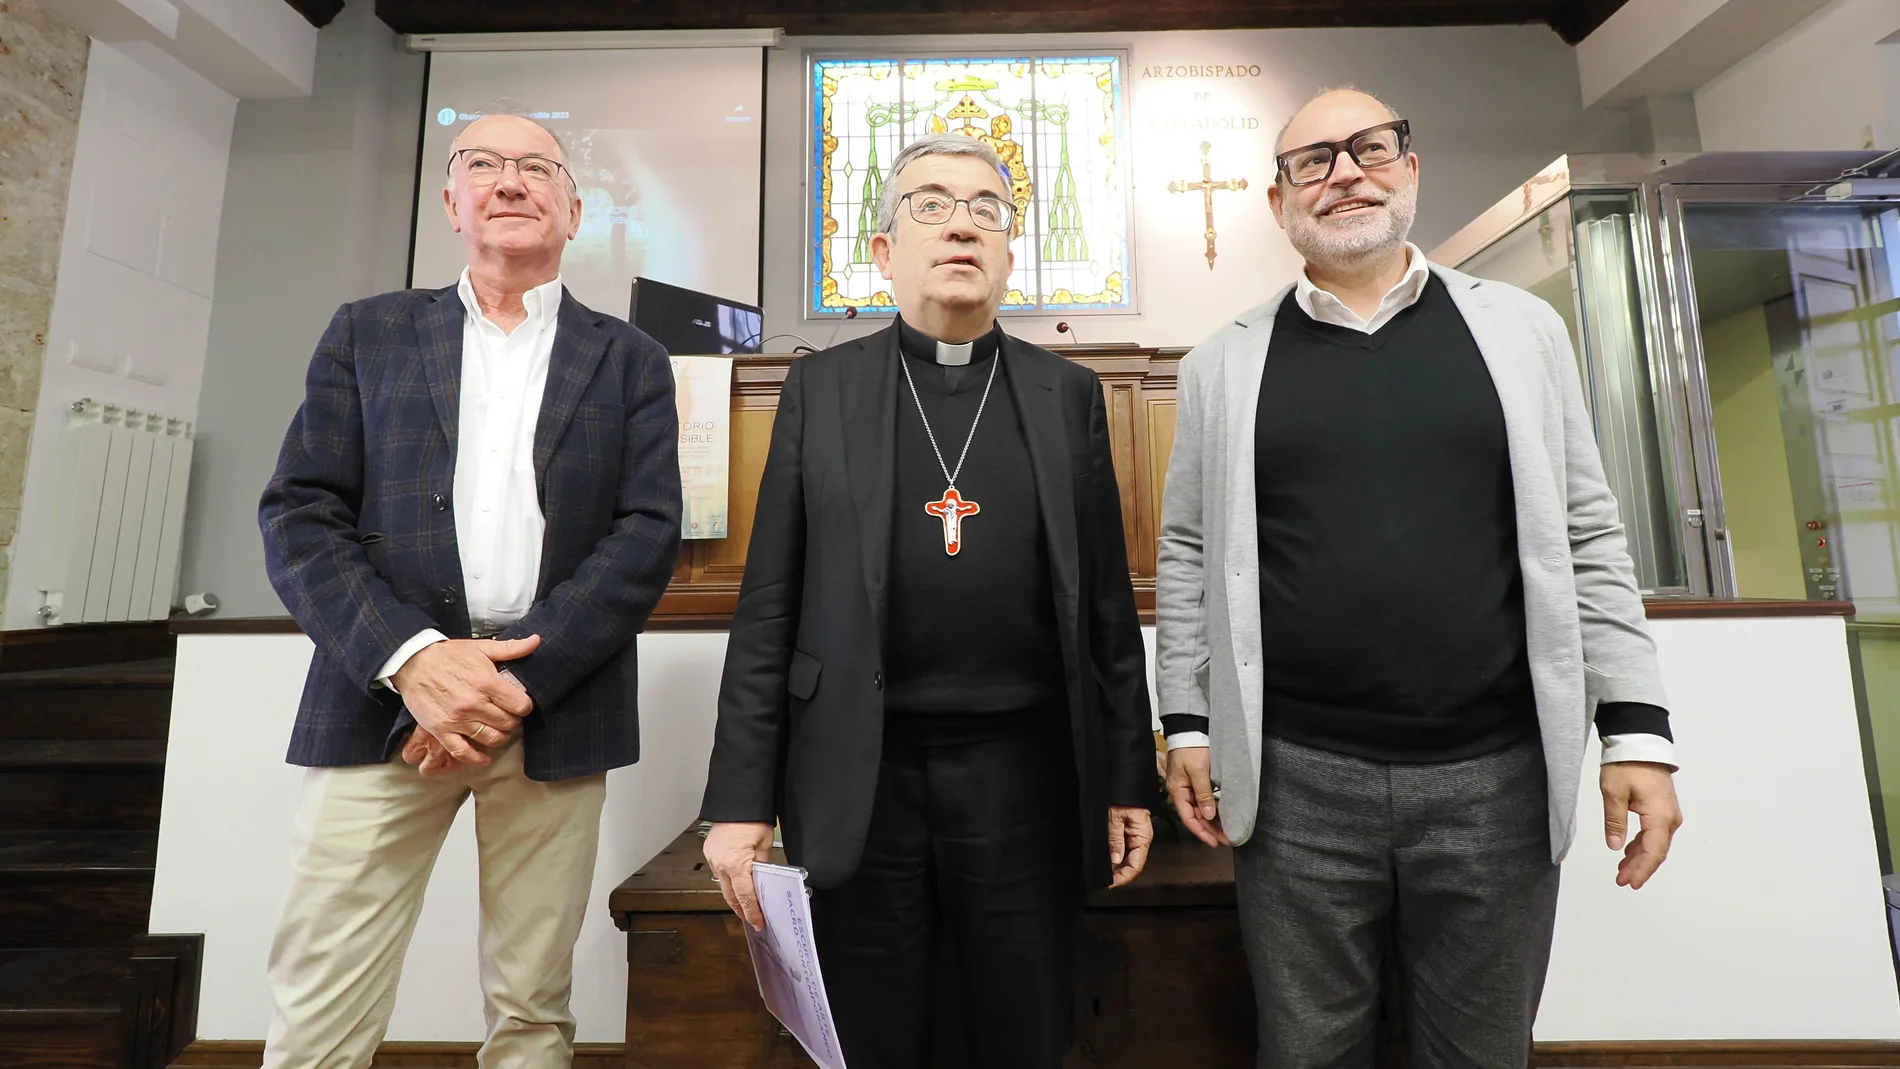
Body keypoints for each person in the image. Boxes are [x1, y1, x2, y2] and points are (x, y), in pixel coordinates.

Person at [1154, 88, 1685, 1069]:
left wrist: (1638, 732)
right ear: (1278, 202)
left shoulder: (1522, 333)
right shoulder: (1219, 366)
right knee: (1308, 1050)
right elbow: (1186, 551)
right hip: (1294, 781)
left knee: (1480, 1052)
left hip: (1495, 774)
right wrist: (1185, 718)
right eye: (1312, 160)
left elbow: (1588, 533)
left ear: (1409, 166)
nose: (1345, 172)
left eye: (1368, 147)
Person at [698, 133, 1155, 1069]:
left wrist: (1124, 777)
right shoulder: (822, 388)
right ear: (882, 250)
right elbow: (769, 605)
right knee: (870, 1039)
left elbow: (1105, 607)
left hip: (1026, 775)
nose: (963, 225)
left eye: (988, 208)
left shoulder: (1066, 394)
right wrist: (739, 801)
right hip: (862, 778)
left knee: (1023, 1033)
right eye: (932, 204)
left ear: (1010, 251)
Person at [256, 113, 681, 1068]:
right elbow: (299, 512)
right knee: (321, 989)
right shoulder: (368, 331)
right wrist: (416, 661)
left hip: (554, 708)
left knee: (534, 1003)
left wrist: (514, 683)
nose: (510, 180)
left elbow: (645, 534)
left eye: (537, 167)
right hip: (379, 703)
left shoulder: (631, 359)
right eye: (481, 163)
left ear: (573, 208)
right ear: (452, 201)